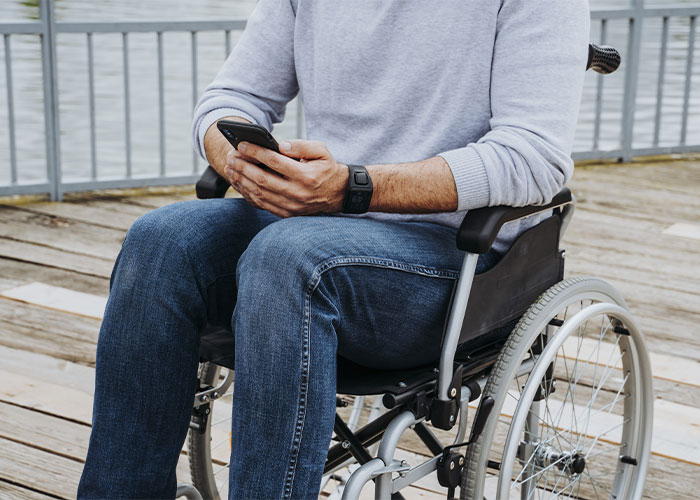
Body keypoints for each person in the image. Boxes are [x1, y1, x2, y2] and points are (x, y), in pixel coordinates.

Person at [78, 0, 589, 498]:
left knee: (289, 256)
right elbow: (231, 99)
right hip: (318, 220)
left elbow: (534, 160)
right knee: (160, 241)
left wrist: (353, 187)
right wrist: (241, 160)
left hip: (459, 261)